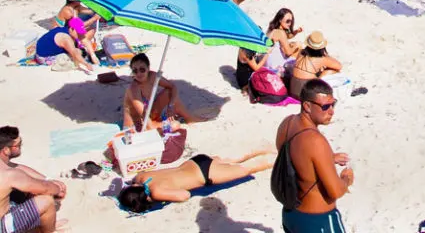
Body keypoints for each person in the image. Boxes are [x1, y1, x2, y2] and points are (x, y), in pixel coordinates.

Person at [275, 79, 352, 233]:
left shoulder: (287, 123)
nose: (331, 111)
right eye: (325, 106)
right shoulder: (316, 142)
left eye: (333, 104)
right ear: (307, 106)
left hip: (291, 215)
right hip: (318, 220)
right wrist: (346, 180)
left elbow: (293, 162)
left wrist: (328, 158)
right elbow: (335, 191)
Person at [118, 149, 275, 211]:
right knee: (236, 159)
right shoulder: (141, 178)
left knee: (249, 169)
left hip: (205, 174)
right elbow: (136, 180)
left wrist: (156, 198)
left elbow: (184, 195)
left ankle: (277, 160)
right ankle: (267, 148)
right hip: (195, 161)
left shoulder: (157, 192)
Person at [0, 126, 65, 233]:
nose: (21, 147)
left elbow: (16, 166)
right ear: (6, 150)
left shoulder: (4, 166)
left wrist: (47, 179)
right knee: (46, 201)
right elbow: (45, 189)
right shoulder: (9, 174)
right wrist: (58, 189)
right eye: (18, 145)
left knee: (23, 191)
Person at [123, 53, 200, 131]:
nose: (139, 73)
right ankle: (181, 121)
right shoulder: (134, 88)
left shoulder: (152, 77)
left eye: (142, 69)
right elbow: (144, 116)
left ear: (148, 68)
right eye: (135, 71)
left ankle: (189, 119)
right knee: (175, 125)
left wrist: (171, 106)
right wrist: (156, 127)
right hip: (137, 125)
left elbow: (172, 87)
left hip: (150, 116)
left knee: (168, 93)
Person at [289, 32, 342, 100]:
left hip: (293, 90)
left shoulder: (301, 52)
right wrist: (326, 55)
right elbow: (339, 66)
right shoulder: (321, 59)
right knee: (331, 71)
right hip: (306, 93)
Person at [266, 7, 302, 75]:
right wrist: (296, 45)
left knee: (292, 44)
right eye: (288, 21)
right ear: (280, 20)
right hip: (276, 66)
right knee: (299, 51)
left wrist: (296, 32)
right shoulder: (280, 33)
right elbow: (288, 53)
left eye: (291, 21)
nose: (290, 23)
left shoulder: (272, 29)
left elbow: (288, 37)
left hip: (268, 63)